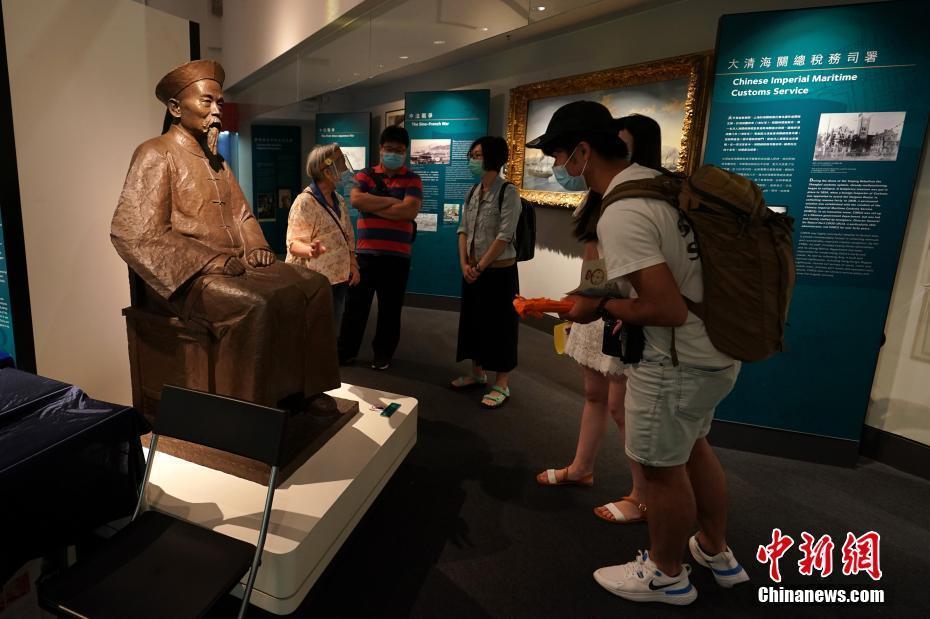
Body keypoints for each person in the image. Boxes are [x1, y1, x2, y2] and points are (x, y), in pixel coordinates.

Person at [527, 100, 748, 606]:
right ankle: (716, 550)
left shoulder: (623, 210)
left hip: (672, 361)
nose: (560, 169)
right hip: (715, 350)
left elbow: (664, 307)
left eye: (561, 157)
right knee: (692, 448)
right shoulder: (662, 186)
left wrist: (598, 304)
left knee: (659, 470)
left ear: (584, 150)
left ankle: (668, 573)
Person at [111, 60, 340, 409]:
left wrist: (258, 246)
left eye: (219, 103)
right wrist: (208, 260)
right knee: (255, 306)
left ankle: (305, 392)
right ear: (175, 108)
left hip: (237, 265)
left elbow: (242, 214)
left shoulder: (219, 163)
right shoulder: (156, 153)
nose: (217, 111)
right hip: (185, 279)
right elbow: (133, 231)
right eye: (207, 102)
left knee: (314, 287)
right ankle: (245, 415)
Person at [536, 114, 665, 527]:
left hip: (624, 309)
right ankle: (581, 467)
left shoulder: (637, 196)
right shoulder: (602, 194)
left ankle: (642, 494)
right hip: (600, 302)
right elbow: (595, 261)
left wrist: (592, 301)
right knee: (594, 394)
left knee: (622, 406)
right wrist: (582, 303)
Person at [338, 126, 423, 370]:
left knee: (390, 310)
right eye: (389, 149)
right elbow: (355, 200)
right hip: (365, 254)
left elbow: (410, 210)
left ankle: (383, 355)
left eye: (398, 150)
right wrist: (393, 203)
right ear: (380, 149)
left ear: (405, 151)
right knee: (356, 307)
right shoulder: (365, 175)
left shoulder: (413, 179)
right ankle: (346, 351)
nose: (393, 153)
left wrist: (373, 205)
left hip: (397, 257)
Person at [450, 136, 520, 409]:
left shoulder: (508, 192)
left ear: (493, 157)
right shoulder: (472, 191)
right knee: (474, 320)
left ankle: (502, 383)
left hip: (499, 271)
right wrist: (464, 264)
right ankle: (477, 372)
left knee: (501, 325)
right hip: (473, 269)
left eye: (478, 155)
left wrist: (479, 266)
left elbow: (504, 235)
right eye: (472, 155)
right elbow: (462, 229)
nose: (472, 160)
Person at [286, 144, 361, 330]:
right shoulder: (305, 202)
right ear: (327, 172)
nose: (345, 170)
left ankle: (327, 359)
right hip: (312, 282)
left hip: (338, 279)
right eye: (341, 165)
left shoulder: (339, 200)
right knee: (312, 330)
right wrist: (310, 250)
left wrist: (353, 264)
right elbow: (293, 244)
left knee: (331, 329)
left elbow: (348, 237)